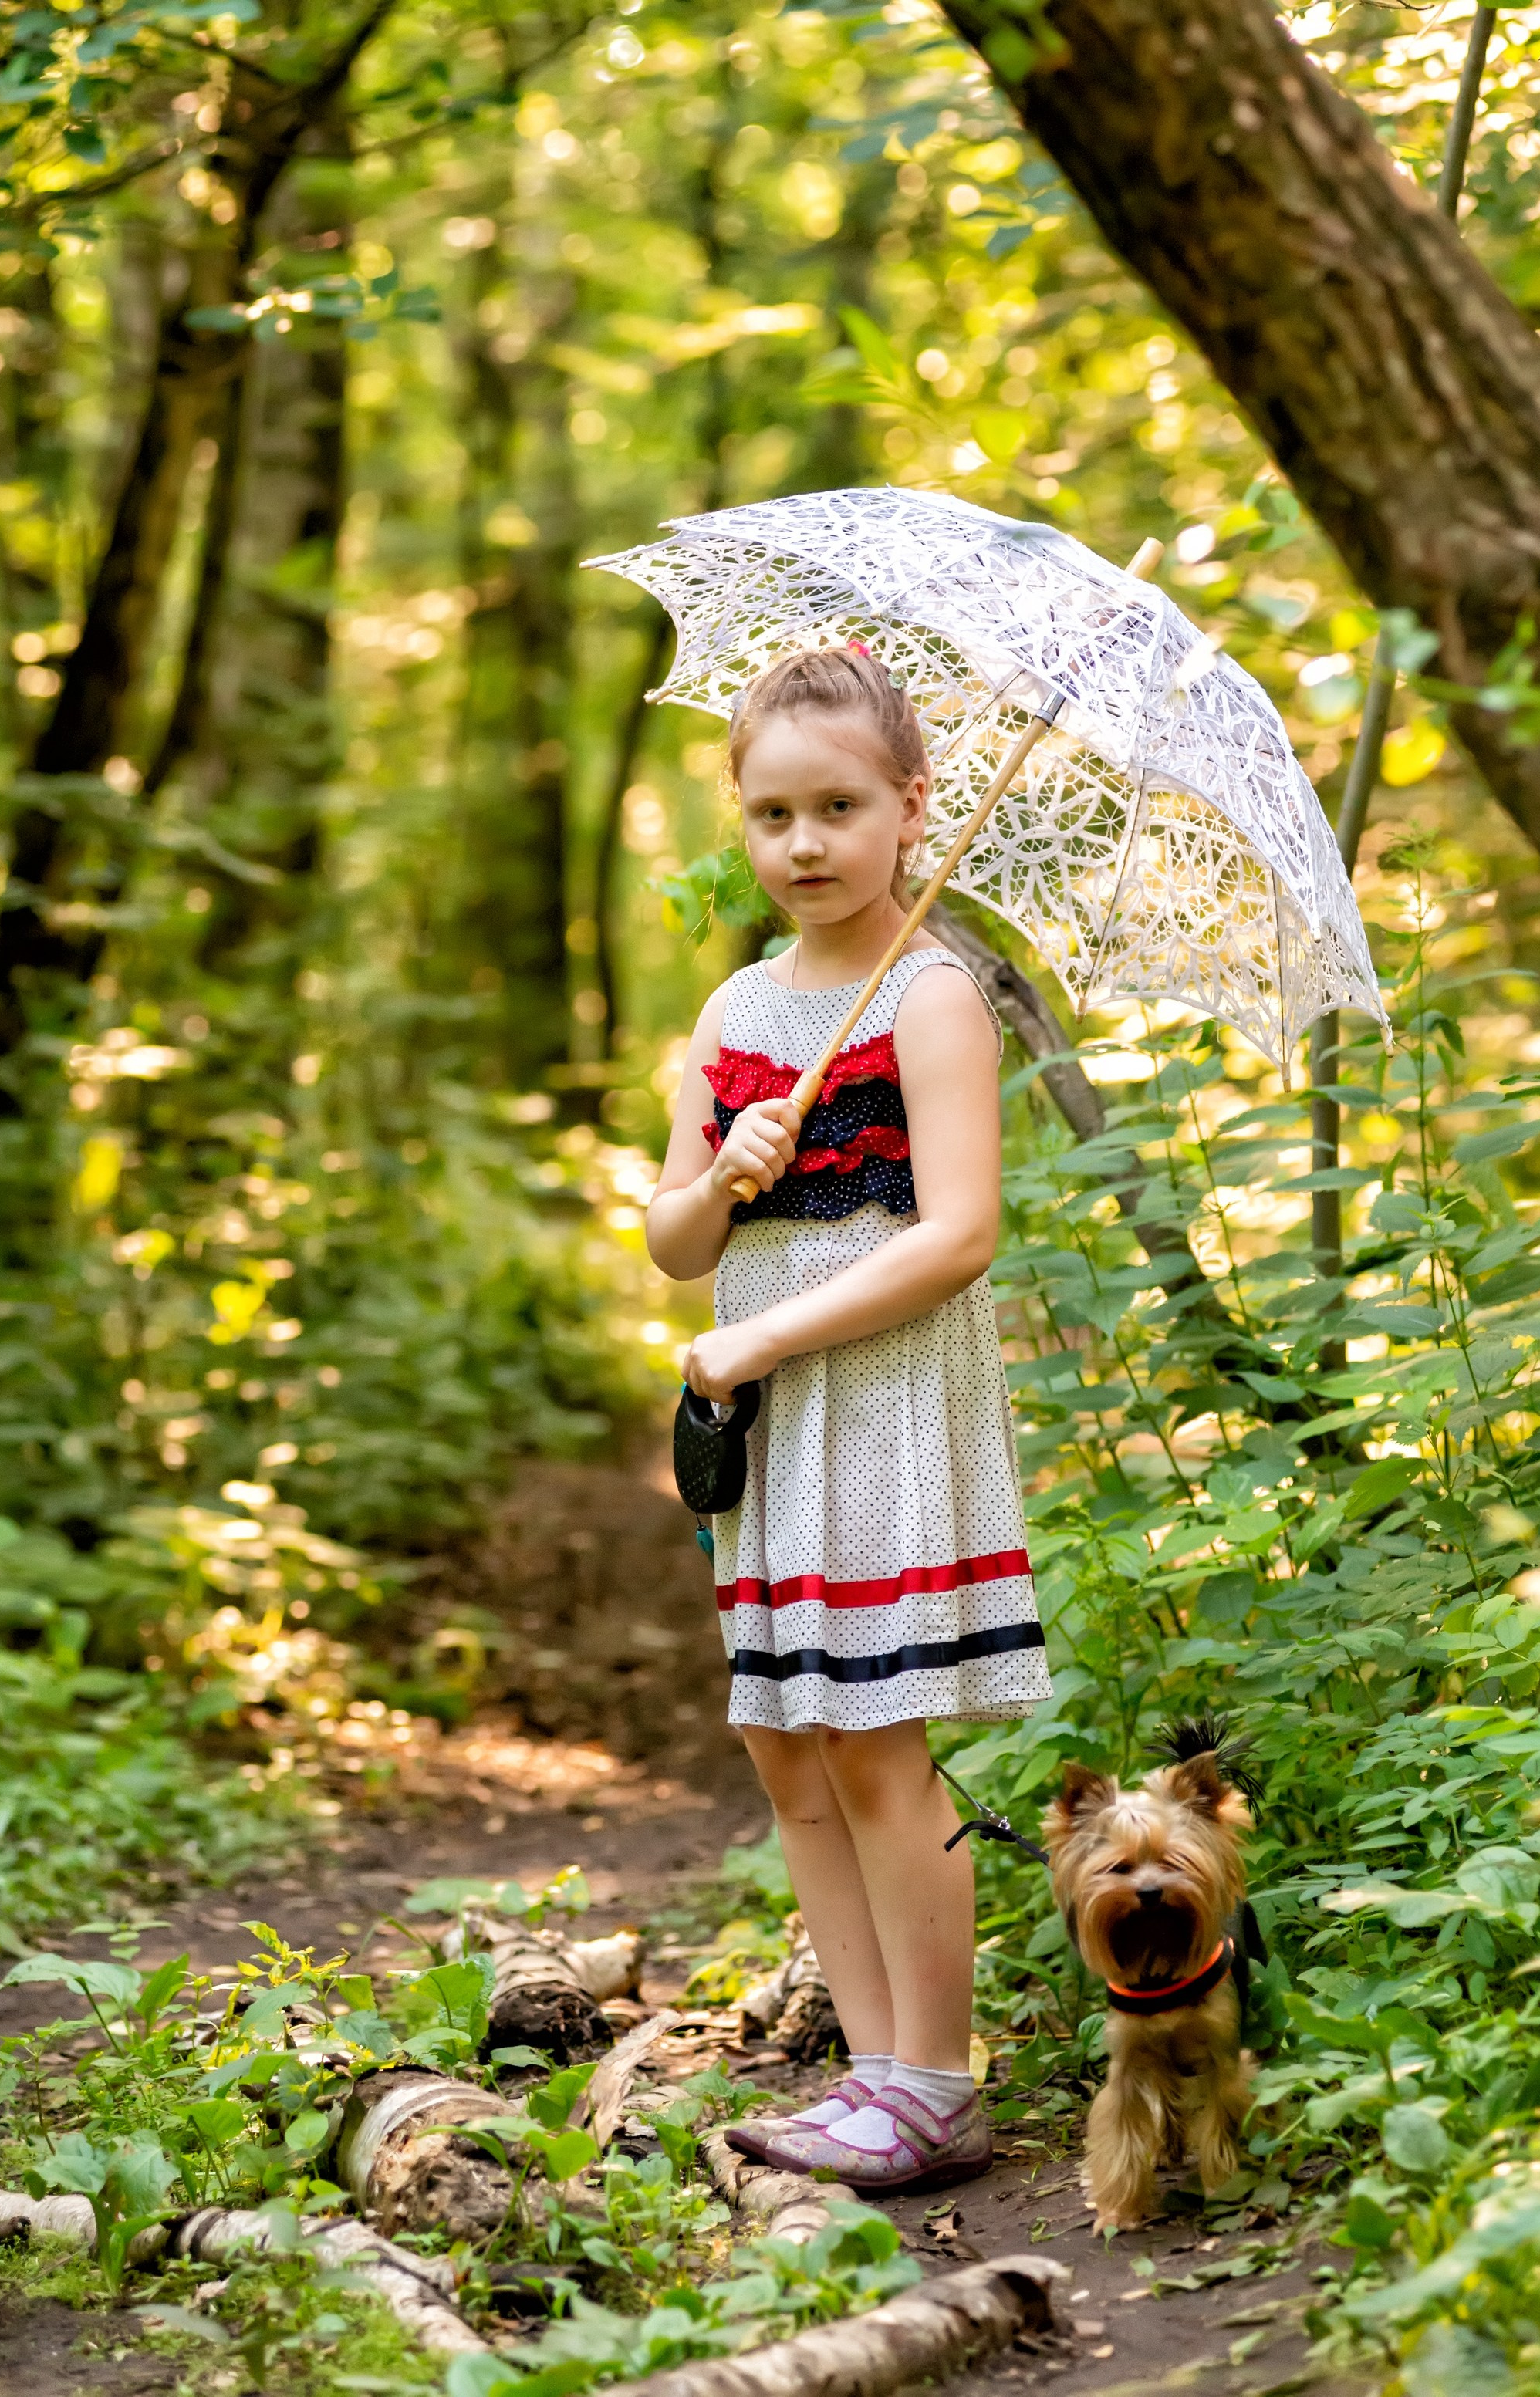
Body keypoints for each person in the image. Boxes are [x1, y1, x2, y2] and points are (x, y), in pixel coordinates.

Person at [646, 645, 1052, 2195]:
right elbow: (671, 1241)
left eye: (838, 808)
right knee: (787, 1744)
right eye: (772, 815)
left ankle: (934, 2080)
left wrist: (758, 1334)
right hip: (762, 1415)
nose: (804, 843)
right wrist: (722, 1173)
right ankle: (873, 2072)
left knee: (877, 1740)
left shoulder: (934, 998)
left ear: (910, 808)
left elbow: (957, 1237)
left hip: (876, 1399)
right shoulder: (737, 1007)